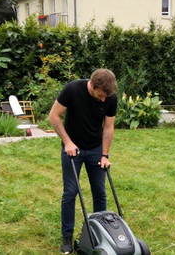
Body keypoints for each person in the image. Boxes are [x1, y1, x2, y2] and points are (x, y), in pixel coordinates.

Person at [49, 69, 118, 254]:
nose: (103, 100)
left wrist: (104, 155)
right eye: (100, 95)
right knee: (70, 192)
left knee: (100, 192)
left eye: (106, 97)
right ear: (92, 85)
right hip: (73, 148)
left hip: (96, 149)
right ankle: (67, 237)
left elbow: (108, 127)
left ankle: (99, 233)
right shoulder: (72, 89)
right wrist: (67, 142)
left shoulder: (110, 97)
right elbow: (53, 116)